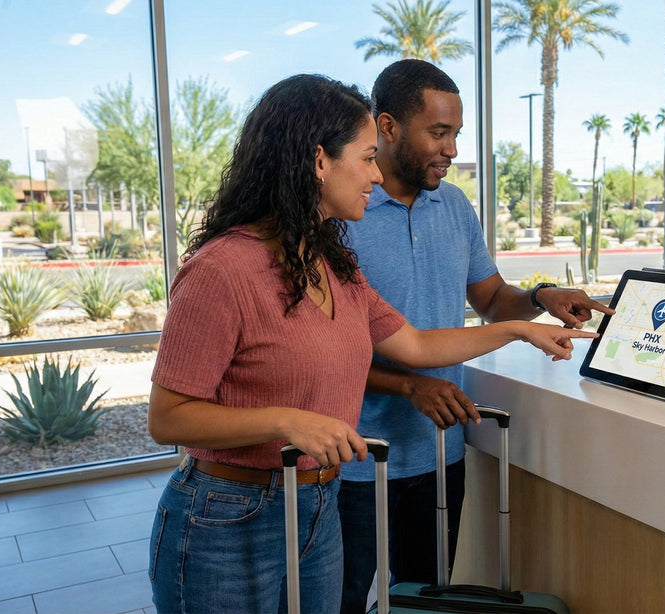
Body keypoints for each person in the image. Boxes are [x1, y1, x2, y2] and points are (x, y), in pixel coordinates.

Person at [145, 73, 596, 614]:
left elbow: (417, 346)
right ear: (318, 162)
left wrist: (523, 325)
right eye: (365, 159)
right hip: (227, 514)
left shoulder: (335, 263)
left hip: (317, 501)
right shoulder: (222, 270)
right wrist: (287, 421)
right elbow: (167, 418)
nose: (376, 175)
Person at [338, 59, 612, 614]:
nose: (451, 149)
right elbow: (324, 351)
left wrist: (540, 298)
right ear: (387, 127)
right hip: (355, 459)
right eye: (437, 133)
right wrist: (408, 385)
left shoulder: (455, 206)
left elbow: (489, 301)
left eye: (456, 134)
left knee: (426, 602)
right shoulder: (342, 215)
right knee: (340, 601)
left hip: (440, 453)